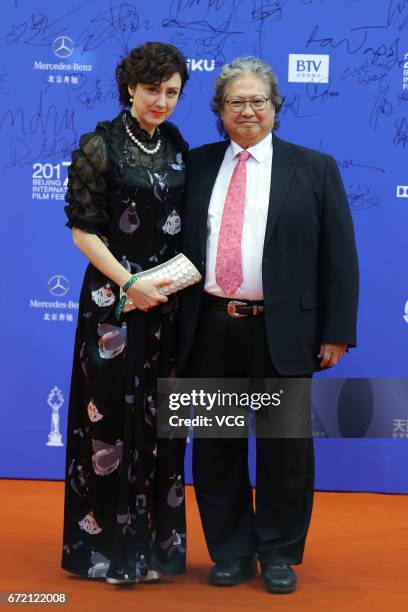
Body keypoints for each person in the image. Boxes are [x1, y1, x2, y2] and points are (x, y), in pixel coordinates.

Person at [179, 56, 359, 594]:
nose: (248, 110)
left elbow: (340, 257)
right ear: (220, 111)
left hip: (284, 333)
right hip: (209, 327)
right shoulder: (196, 165)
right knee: (216, 448)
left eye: (259, 100)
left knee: (285, 451)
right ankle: (232, 552)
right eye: (236, 101)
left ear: (276, 107)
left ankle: (279, 552)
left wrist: (336, 331)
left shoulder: (315, 167)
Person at [61, 42, 189, 585]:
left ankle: (156, 548)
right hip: (113, 304)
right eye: (152, 89)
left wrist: (164, 283)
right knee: (110, 424)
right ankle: (108, 552)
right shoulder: (100, 145)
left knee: (161, 424)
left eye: (172, 92)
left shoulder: (177, 144)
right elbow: (83, 231)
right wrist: (129, 283)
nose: (161, 101)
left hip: (166, 305)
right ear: (131, 87)